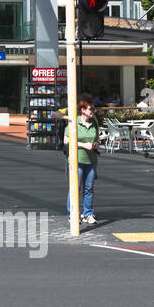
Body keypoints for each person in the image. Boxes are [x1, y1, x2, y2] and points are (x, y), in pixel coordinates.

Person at [64, 93, 100, 225]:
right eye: (91, 109)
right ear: (83, 110)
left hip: (91, 160)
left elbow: (97, 138)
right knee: (75, 187)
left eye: (94, 109)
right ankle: (72, 213)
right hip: (77, 159)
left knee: (89, 188)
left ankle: (88, 213)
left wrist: (96, 144)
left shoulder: (94, 122)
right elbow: (66, 140)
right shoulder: (74, 121)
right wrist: (83, 145)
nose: (93, 111)